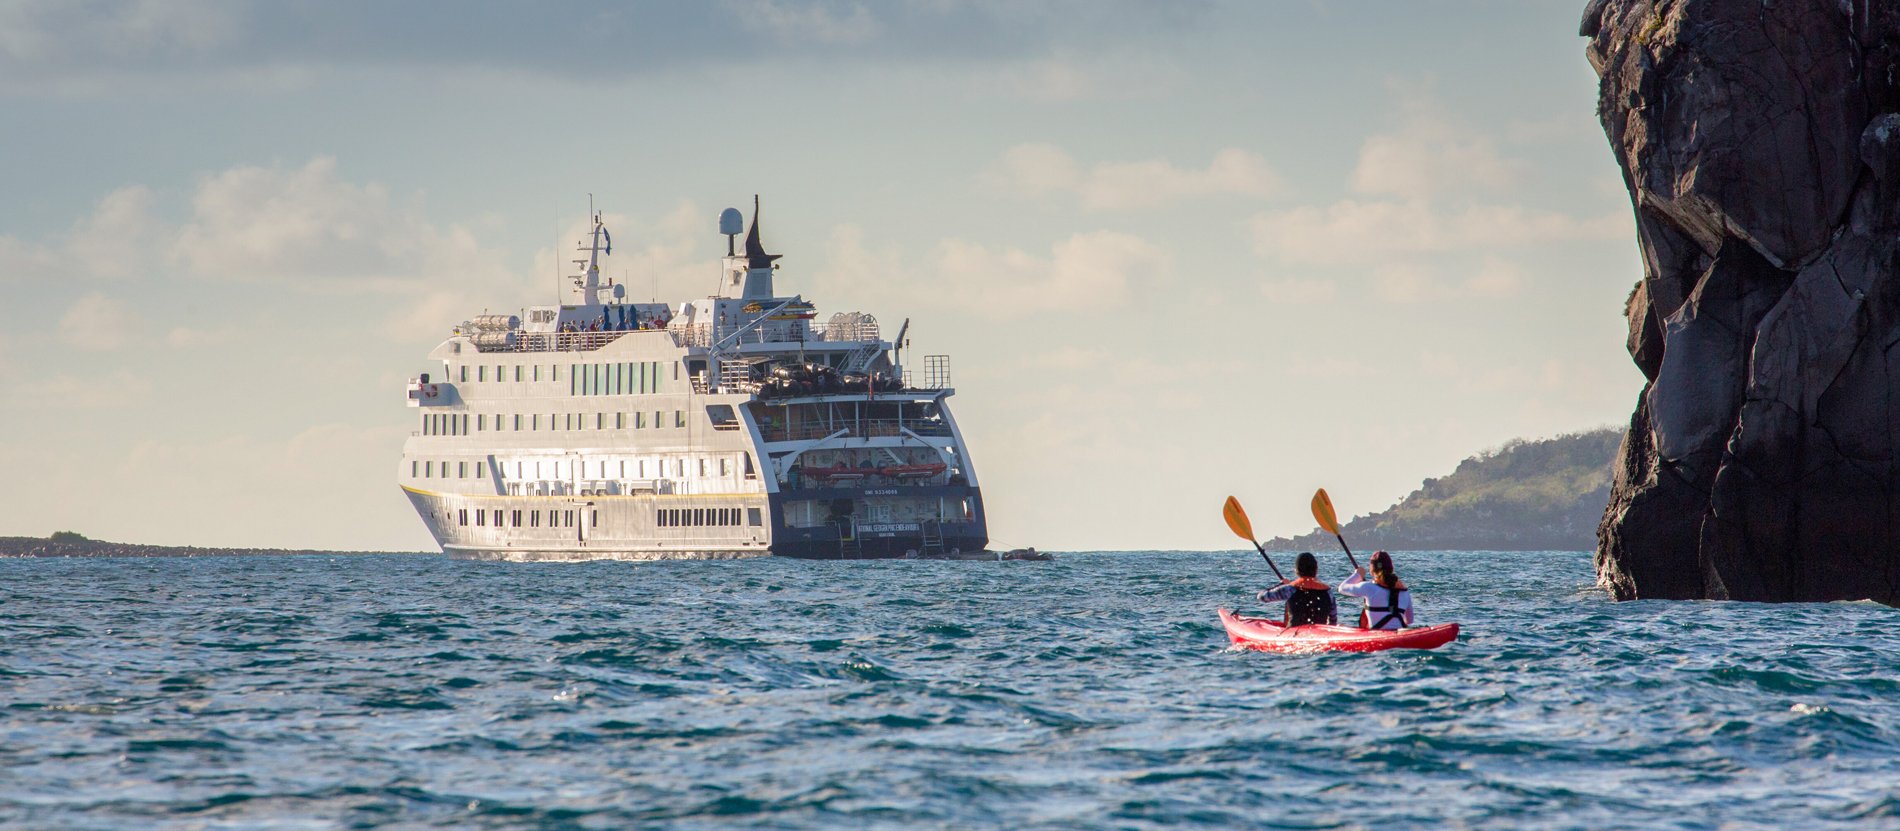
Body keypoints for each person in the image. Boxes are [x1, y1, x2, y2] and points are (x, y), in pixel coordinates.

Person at [1257, 552, 1337, 626]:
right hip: (1319, 634)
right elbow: (1333, 620)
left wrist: (1281, 584)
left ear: (1297, 570)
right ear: (1316, 569)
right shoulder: (1328, 591)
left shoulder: (1290, 589)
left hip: (1295, 633)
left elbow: (1262, 597)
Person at [1339, 550, 1413, 630]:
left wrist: (1358, 575)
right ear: (1391, 568)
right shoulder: (1404, 591)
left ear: (1372, 569)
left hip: (1378, 635)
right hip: (1399, 636)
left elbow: (1342, 588)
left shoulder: (1368, 587)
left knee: (1340, 626)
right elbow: (1409, 620)